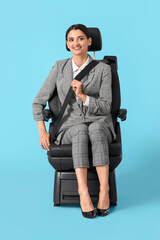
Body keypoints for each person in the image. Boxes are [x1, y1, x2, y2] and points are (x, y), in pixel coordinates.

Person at [32, 24, 116, 219]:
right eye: (71, 39)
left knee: (94, 128)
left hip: (100, 123)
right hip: (69, 126)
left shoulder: (104, 69)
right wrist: (42, 131)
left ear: (89, 41)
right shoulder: (59, 67)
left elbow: (106, 106)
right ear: (67, 44)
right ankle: (83, 192)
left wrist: (83, 96)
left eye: (80, 38)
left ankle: (104, 191)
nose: (75, 43)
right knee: (79, 129)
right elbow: (38, 102)